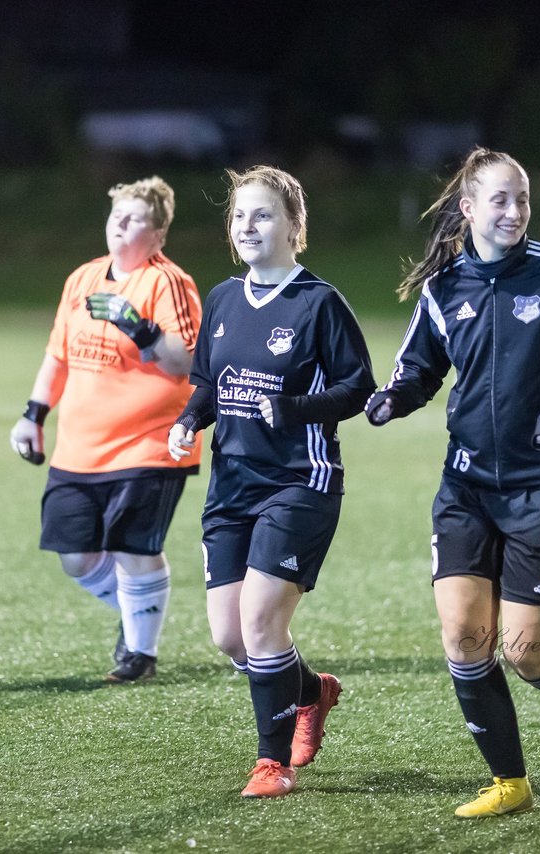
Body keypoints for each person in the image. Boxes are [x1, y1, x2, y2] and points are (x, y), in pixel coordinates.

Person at [365, 147, 540, 817]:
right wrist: (396, 398)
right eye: (501, 200)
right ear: (469, 209)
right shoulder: (443, 287)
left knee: (529, 653)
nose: (514, 212)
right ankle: (509, 782)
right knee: (462, 637)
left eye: (523, 200)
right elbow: (420, 369)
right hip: (466, 488)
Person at [168, 166, 374, 798]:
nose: (249, 226)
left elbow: (359, 388)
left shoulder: (319, 303)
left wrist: (293, 409)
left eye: (263, 215)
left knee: (260, 623)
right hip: (231, 485)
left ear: (294, 226)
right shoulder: (224, 299)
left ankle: (271, 762)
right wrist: (187, 421)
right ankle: (313, 692)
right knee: (231, 637)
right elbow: (209, 383)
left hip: (300, 483)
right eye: (240, 216)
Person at [10, 176, 202, 684]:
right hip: (80, 447)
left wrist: (138, 326)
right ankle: (137, 613)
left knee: (133, 547)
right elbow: (58, 355)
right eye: (116, 214)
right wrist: (33, 414)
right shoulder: (83, 279)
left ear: (158, 234)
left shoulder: (168, 283)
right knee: (75, 556)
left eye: (135, 217)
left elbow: (186, 363)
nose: (120, 224)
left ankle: (140, 653)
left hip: (150, 442)